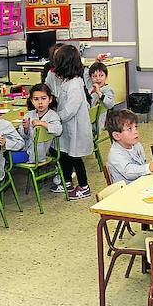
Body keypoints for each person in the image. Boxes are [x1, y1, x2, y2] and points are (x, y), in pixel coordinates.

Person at [51, 45, 93, 199]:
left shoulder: (75, 83)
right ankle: (67, 181)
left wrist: (55, 117)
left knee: (75, 157)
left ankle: (84, 186)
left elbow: (70, 110)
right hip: (68, 128)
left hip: (75, 128)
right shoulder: (68, 81)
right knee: (64, 154)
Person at [105, 109, 153, 184]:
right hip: (125, 191)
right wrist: (151, 166)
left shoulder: (137, 145)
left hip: (141, 184)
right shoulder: (115, 154)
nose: (135, 131)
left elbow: (142, 167)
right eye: (129, 129)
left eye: (136, 127)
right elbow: (129, 172)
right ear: (117, 136)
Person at [15, 83, 62, 164]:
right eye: (36, 99)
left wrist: (42, 123)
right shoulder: (29, 114)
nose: (40, 102)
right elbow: (23, 136)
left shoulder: (53, 115)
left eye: (43, 98)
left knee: (5, 156)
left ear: (50, 99)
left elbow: (58, 131)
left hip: (35, 155)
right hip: (27, 150)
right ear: (32, 101)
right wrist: (26, 129)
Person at [89, 61, 115, 134]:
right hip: (88, 119)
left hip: (95, 125)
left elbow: (110, 104)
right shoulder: (90, 88)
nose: (98, 79)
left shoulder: (108, 89)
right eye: (94, 76)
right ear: (90, 78)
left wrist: (99, 93)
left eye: (101, 75)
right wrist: (96, 60)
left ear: (106, 76)